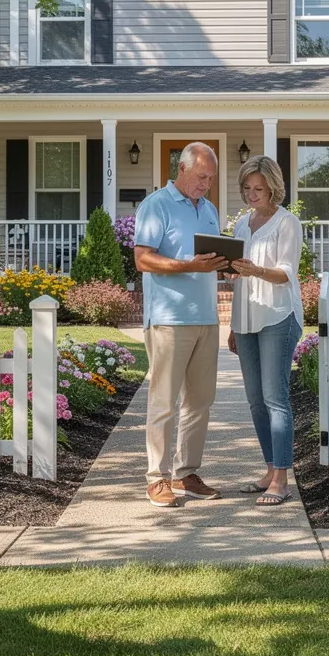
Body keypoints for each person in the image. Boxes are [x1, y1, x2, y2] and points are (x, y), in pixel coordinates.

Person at [133, 142, 228, 507]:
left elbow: (207, 260)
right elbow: (143, 259)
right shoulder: (156, 204)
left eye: (211, 178)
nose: (206, 184)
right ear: (183, 169)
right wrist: (190, 265)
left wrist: (225, 265)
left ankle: (186, 472)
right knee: (164, 402)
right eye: (202, 176)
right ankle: (157, 478)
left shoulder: (209, 209)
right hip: (169, 319)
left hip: (206, 317)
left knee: (200, 401)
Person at [227, 155, 304, 505]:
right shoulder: (243, 225)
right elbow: (237, 277)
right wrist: (232, 325)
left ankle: (283, 480)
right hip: (245, 320)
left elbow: (285, 273)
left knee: (276, 399)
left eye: (258, 188)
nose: (251, 194)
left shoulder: (287, 223)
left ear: (273, 187)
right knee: (255, 401)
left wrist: (255, 270)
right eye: (246, 188)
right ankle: (271, 469)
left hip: (277, 316)